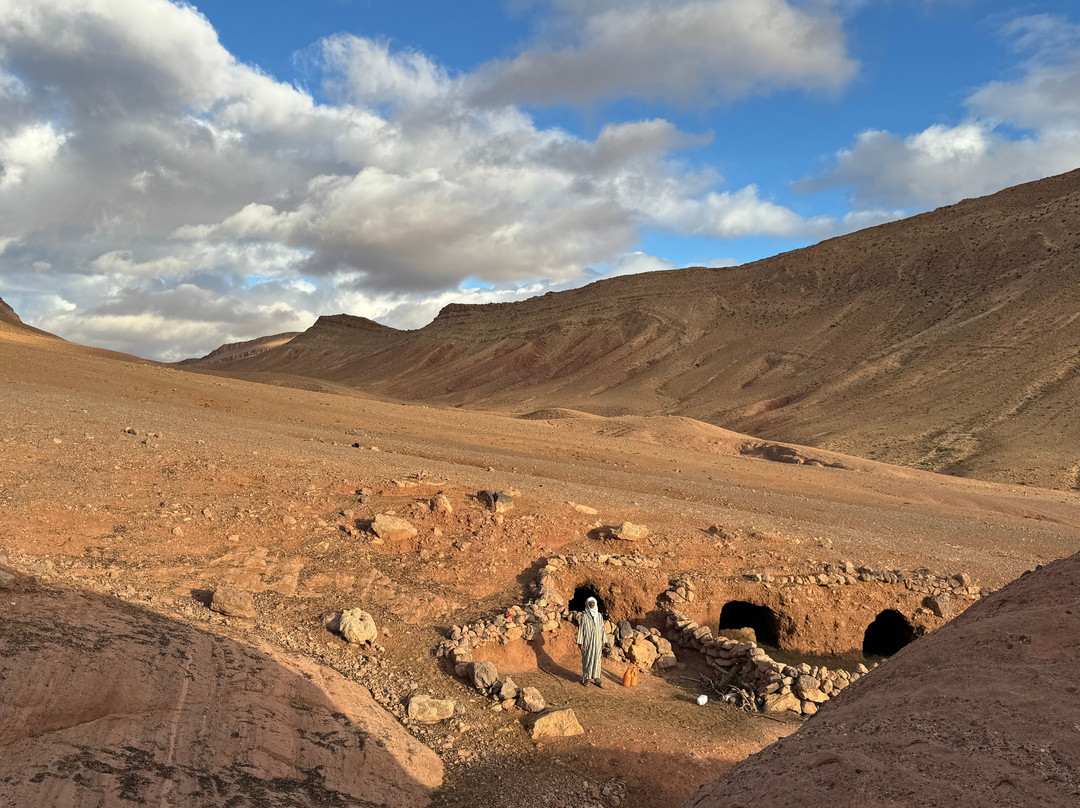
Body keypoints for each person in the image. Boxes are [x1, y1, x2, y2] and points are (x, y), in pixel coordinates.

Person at [577, 596, 607, 687]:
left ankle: (597, 679)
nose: (591, 604)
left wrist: (603, 640)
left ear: (595, 603)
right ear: (587, 604)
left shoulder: (599, 616)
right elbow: (581, 629)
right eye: (590, 602)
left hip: (597, 642)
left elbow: (602, 629)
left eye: (593, 602)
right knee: (587, 659)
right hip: (587, 642)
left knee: (597, 660)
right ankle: (587, 678)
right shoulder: (584, 616)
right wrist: (580, 642)